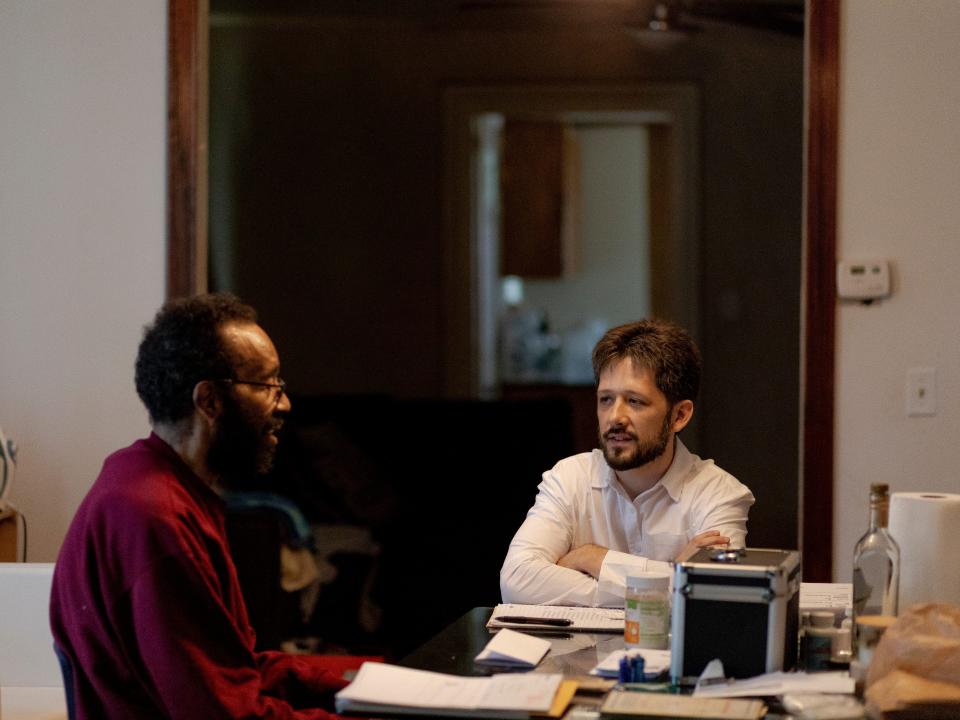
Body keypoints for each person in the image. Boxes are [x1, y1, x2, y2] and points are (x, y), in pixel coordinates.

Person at [50, 293, 347, 719]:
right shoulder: (157, 519)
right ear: (209, 400)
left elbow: (233, 667)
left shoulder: (147, 479)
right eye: (269, 385)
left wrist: (356, 690)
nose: (284, 403)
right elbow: (225, 713)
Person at [500, 318, 755, 608]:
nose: (615, 418)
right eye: (606, 400)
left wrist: (593, 559)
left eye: (635, 401)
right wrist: (674, 579)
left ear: (679, 416)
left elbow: (720, 599)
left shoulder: (719, 493)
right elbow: (516, 579)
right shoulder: (569, 478)